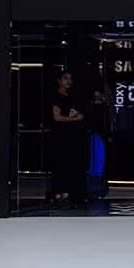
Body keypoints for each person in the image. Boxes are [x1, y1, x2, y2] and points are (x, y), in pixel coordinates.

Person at [49, 69, 88, 208]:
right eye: (65, 78)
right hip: (59, 136)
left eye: (70, 79)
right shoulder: (56, 96)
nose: (68, 81)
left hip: (69, 136)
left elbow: (71, 113)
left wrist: (77, 116)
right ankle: (58, 195)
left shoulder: (70, 97)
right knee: (60, 164)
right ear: (59, 80)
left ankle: (65, 195)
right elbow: (56, 117)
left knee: (67, 165)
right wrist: (74, 119)